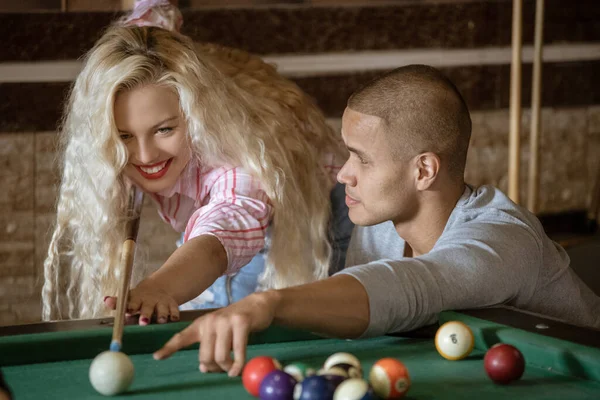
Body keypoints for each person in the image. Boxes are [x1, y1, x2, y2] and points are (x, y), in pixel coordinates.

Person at [152, 64, 600, 377]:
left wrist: (267, 303)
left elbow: (417, 285)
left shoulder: (503, 238)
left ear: (423, 170)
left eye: (361, 159)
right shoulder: (376, 224)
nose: (344, 173)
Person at [41, 0, 352, 323]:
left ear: (196, 117)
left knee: (256, 325)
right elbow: (151, 22)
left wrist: (161, 286)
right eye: (125, 136)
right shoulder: (124, 123)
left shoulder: (238, 160)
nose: (145, 156)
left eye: (164, 130)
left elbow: (221, 233)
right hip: (235, 219)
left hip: (320, 213)